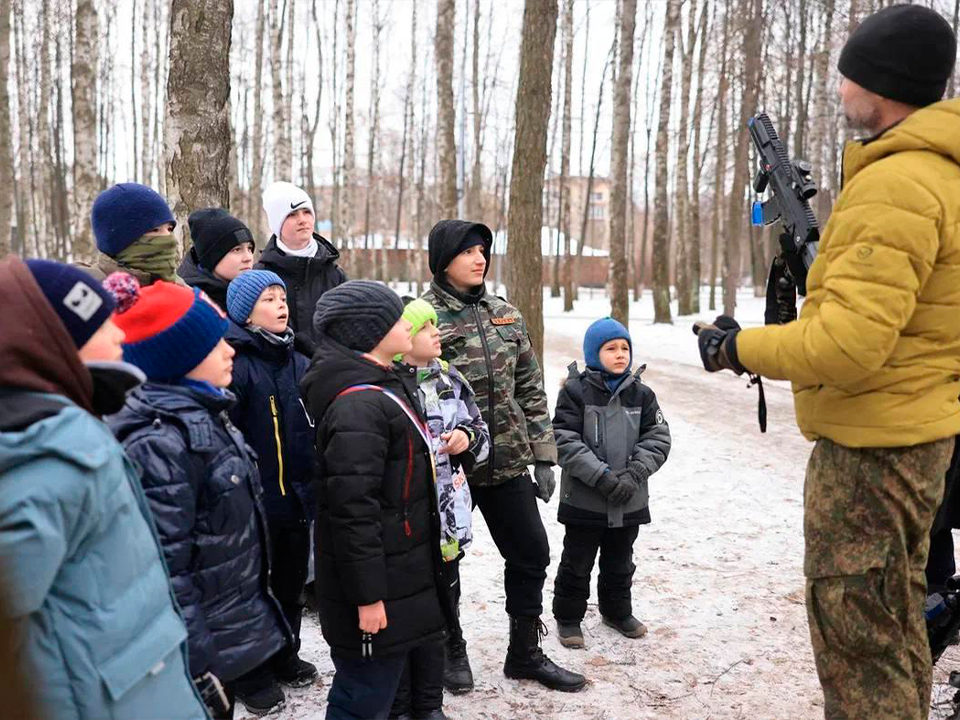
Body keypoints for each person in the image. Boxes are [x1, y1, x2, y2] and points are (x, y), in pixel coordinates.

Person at [693, 6, 959, 718]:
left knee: (859, 646)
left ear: (886, 83)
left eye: (852, 72)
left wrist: (735, 346)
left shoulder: (900, 182)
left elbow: (847, 345)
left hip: (874, 451)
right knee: (894, 626)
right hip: (913, 435)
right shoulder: (934, 173)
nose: (840, 86)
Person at [0, 258, 208, 720]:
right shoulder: (45, 456)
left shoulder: (71, 432)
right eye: (101, 325)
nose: (120, 335)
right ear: (56, 346)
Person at [107, 280, 291, 718]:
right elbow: (166, 572)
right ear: (180, 359)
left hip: (218, 636)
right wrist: (197, 663)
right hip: (196, 654)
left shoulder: (204, 412)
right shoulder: (160, 444)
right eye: (215, 344)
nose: (230, 350)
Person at [421, 219, 586, 693]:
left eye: (483, 250)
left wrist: (544, 455)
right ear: (443, 260)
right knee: (443, 559)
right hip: (452, 470)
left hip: (509, 460)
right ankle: (451, 647)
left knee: (532, 553)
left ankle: (525, 653)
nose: (480, 258)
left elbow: (531, 390)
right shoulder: (423, 316)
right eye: (467, 251)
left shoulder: (506, 315)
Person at [300, 281, 452, 720]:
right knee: (363, 698)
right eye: (394, 318)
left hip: (398, 576)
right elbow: (353, 513)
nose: (407, 322)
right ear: (369, 332)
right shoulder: (359, 407)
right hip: (374, 590)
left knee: (379, 692)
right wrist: (368, 598)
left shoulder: (384, 386)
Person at [390, 298, 491, 720]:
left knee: (448, 583)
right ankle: (406, 685)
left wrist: (467, 436)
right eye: (425, 327)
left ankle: (454, 645)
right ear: (402, 341)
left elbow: (480, 430)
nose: (437, 333)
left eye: (436, 325)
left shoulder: (450, 377)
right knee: (413, 594)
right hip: (409, 516)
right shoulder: (389, 384)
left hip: (449, 513)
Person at [223, 270, 319, 692]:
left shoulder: (301, 360)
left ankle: (286, 654)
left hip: (298, 499)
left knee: (290, 583)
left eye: (282, 297)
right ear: (245, 314)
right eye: (267, 299)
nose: (280, 305)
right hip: (255, 504)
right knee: (252, 589)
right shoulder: (235, 364)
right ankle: (250, 672)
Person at [551, 318, 671, 649]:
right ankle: (568, 616)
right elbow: (564, 440)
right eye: (610, 348)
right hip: (585, 499)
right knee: (577, 561)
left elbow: (658, 438)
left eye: (624, 348)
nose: (620, 354)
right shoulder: (575, 392)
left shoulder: (642, 394)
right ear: (593, 353)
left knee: (620, 561)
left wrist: (635, 473)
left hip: (629, 498)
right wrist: (601, 476)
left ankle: (617, 611)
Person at [255, 181, 347, 347]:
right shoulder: (260, 276)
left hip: (330, 369)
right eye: (292, 215)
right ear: (277, 223)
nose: (302, 220)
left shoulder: (334, 274)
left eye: (306, 212)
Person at [80, 182, 182, 284]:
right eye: (154, 230)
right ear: (120, 242)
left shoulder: (183, 290)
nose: (169, 237)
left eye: (169, 229)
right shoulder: (91, 292)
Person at [178, 208, 256, 310]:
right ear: (211, 257)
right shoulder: (189, 302)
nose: (248, 258)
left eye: (249, 248)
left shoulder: (255, 293)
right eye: (237, 250)